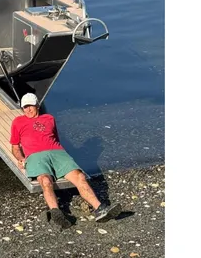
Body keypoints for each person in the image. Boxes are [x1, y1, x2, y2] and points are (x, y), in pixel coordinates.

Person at [9, 93, 120, 229]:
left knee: (80, 176)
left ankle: (100, 209)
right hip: (35, 155)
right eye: (24, 107)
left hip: (57, 153)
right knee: (45, 181)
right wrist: (20, 158)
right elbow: (15, 147)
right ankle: (56, 212)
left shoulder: (49, 118)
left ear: (37, 105)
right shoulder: (18, 122)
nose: (28, 110)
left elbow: (55, 138)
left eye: (30, 106)